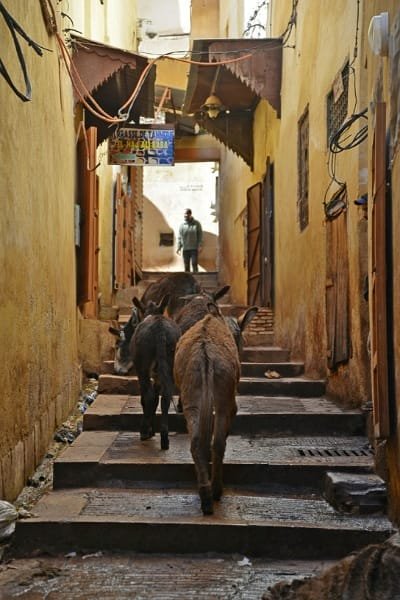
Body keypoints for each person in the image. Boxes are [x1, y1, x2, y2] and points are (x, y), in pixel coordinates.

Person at [176, 208, 203, 272]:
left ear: (190, 214)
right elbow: (179, 237)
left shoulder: (197, 224)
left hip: (194, 248)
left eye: (186, 215)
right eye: (184, 215)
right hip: (185, 249)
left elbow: (200, 235)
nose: (185, 216)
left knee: (194, 264)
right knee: (186, 266)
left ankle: (196, 279)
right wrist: (178, 248)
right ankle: (187, 281)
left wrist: (200, 245)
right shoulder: (182, 225)